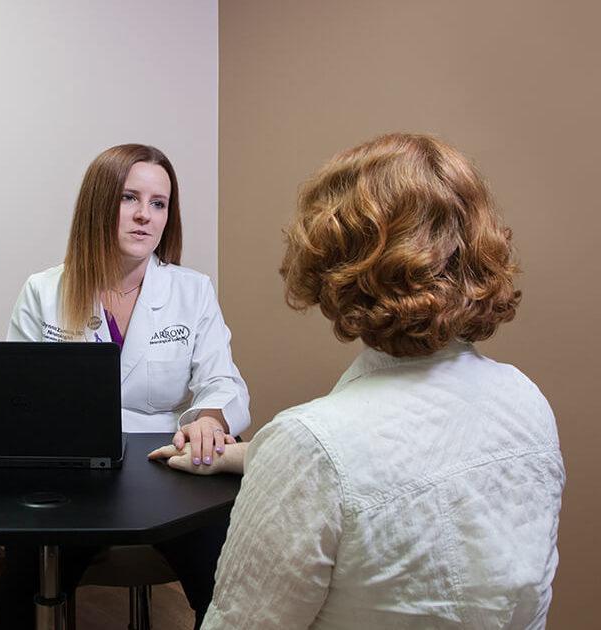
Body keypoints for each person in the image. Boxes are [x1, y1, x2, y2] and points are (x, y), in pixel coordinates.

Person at [150, 133, 565, 628]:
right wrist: (241, 455)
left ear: (334, 258)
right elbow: (402, 454)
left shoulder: (312, 445)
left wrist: (285, 458)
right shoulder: (525, 400)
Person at [0, 143, 251, 628]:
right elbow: (17, 397)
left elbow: (222, 379)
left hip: (169, 467)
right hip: (74, 474)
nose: (144, 216)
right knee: (22, 592)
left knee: (227, 583)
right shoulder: (45, 290)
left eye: (158, 204)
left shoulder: (191, 290)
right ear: (99, 204)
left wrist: (211, 418)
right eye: (128, 199)